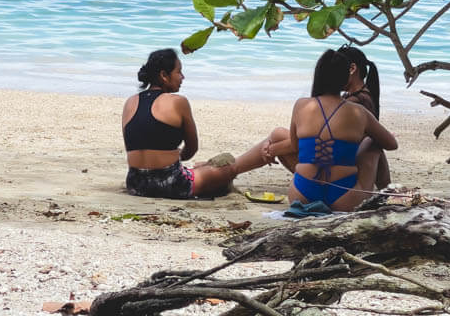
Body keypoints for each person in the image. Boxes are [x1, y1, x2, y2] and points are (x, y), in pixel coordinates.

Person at [121, 48, 275, 199]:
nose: (183, 77)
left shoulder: (131, 102)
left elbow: (136, 144)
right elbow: (192, 149)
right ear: (164, 76)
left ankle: (202, 169)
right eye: (179, 72)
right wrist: (176, 158)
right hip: (172, 185)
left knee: (202, 168)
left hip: (136, 184)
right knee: (230, 167)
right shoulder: (178, 102)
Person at [282, 49, 397, 211]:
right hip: (345, 195)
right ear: (346, 77)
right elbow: (392, 144)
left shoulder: (301, 105)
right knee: (374, 142)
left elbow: (295, 146)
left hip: (302, 193)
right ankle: (389, 192)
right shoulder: (358, 111)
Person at [337, 44, 391, 189]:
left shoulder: (355, 102)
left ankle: (386, 190)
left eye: (335, 70)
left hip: (346, 171)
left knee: (277, 138)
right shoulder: (360, 97)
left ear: (352, 69)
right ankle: (386, 190)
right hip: (350, 165)